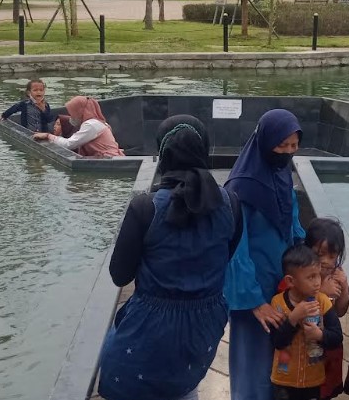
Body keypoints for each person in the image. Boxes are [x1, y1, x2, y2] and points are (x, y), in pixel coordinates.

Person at [97, 115, 244, 400]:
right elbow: (226, 257)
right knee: (183, 386)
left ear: (162, 154)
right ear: (204, 150)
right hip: (203, 329)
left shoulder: (146, 207)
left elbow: (120, 275)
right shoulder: (231, 204)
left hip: (148, 329)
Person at [224, 108, 305, 400]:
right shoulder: (242, 187)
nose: (287, 152)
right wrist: (255, 302)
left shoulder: (281, 174)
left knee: (281, 357)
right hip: (253, 291)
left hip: (282, 286)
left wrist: (308, 268)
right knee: (252, 363)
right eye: (281, 145)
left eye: (293, 146)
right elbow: (235, 247)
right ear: (264, 141)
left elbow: (293, 224)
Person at [270, 244, 343, 400]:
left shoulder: (322, 302)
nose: (317, 282)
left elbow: (337, 337)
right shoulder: (278, 303)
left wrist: (320, 335)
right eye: (310, 277)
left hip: (312, 381)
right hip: (283, 381)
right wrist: (293, 318)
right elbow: (277, 342)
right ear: (290, 281)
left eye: (318, 275)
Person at [304, 218, 349, 399]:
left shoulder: (335, 275)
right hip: (306, 345)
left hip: (329, 344)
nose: (326, 261)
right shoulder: (302, 274)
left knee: (325, 389)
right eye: (319, 254)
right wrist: (321, 292)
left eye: (332, 256)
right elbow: (295, 303)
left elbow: (340, 311)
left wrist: (344, 287)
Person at [33, 96, 124, 158]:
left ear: (79, 111)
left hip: (108, 161)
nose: (71, 116)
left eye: (72, 113)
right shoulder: (95, 122)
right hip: (107, 159)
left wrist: (48, 136)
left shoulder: (91, 125)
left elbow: (69, 145)